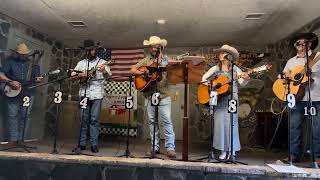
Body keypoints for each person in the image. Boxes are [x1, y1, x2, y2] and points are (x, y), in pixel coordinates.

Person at [130, 36, 176, 159]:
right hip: (150, 96)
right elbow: (133, 70)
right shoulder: (145, 60)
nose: (154, 48)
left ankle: (170, 148)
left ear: (160, 48)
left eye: (156, 46)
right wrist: (143, 73)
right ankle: (154, 147)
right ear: (149, 48)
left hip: (164, 95)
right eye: (152, 46)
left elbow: (173, 74)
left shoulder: (166, 60)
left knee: (166, 120)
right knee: (152, 122)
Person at [201, 45, 250, 160]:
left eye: (223, 53)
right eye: (220, 53)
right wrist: (210, 85)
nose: (220, 54)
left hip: (232, 98)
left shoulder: (235, 69)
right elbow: (204, 78)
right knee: (220, 124)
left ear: (229, 56)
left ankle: (232, 151)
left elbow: (242, 83)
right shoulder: (215, 68)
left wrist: (246, 78)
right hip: (220, 99)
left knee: (232, 123)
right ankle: (223, 150)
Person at [281, 32, 320, 163]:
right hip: (296, 98)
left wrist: (312, 72)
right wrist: (285, 78)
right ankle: (293, 155)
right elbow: (283, 77)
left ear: (309, 44)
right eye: (298, 43)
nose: (301, 45)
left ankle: (317, 157)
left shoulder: (318, 57)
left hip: (315, 97)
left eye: (304, 42)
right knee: (294, 127)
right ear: (295, 45)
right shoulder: (291, 61)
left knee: (317, 128)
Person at [72, 40, 112, 153]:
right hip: (83, 93)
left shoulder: (103, 62)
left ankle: (94, 144)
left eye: (93, 49)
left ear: (95, 50)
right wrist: (80, 74)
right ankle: (82, 143)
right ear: (86, 51)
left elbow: (109, 78)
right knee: (83, 119)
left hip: (97, 94)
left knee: (94, 119)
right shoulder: (81, 63)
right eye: (89, 50)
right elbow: (72, 77)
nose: (91, 51)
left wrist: (104, 71)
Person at [0, 42, 43, 142]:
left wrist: (38, 79)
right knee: (12, 115)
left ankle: (21, 139)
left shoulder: (33, 64)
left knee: (25, 116)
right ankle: (14, 139)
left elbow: (37, 78)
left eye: (24, 53)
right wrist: (10, 82)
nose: (23, 55)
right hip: (13, 92)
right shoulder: (10, 61)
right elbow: (1, 74)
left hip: (28, 93)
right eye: (20, 53)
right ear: (16, 53)